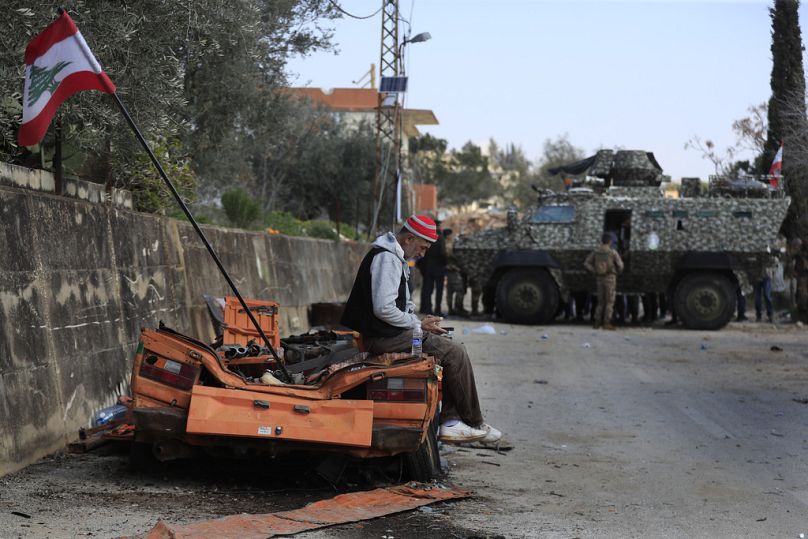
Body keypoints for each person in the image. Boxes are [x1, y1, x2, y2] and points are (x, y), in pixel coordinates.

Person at [341, 215, 502, 444]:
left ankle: (456, 421)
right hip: (382, 338)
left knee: (450, 348)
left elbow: (398, 307)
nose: (423, 254)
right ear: (408, 239)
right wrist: (417, 325)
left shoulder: (395, 257)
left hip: (389, 334)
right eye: (422, 248)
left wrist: (421, 323)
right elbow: (383, 309)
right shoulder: (387, 259)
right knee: (454, 352)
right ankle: (467, 422)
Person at [584, 232, 624, 330]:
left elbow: (586, 263)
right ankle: (607, 323)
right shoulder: (612, 252)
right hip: (610, 278)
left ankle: (597, 322)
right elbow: (620, 265)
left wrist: (594, 271)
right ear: (610, 242)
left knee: (600, 301)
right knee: (609, 302)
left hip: (599, 278)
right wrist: (617, 272)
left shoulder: (596, 252)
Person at [417, 220, 447, 316]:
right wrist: (445, 263)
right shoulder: (441, 238)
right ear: (438, 227)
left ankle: (427, 308)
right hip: (439, 268)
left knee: (427, 289)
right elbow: (443, 253)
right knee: (439, 290)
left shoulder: (428, 238)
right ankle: (437, 309)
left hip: (428, 267)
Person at [444, 229, 468, 316]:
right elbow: (452, 256)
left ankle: (452, 309)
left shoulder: (446, 243)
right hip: (453, 270)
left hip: (450, 269)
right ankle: (457, 309)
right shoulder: (449, 244)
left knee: (450, 291)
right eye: (451, 234)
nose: (452, 236)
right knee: (459, 290)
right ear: (448, 235)